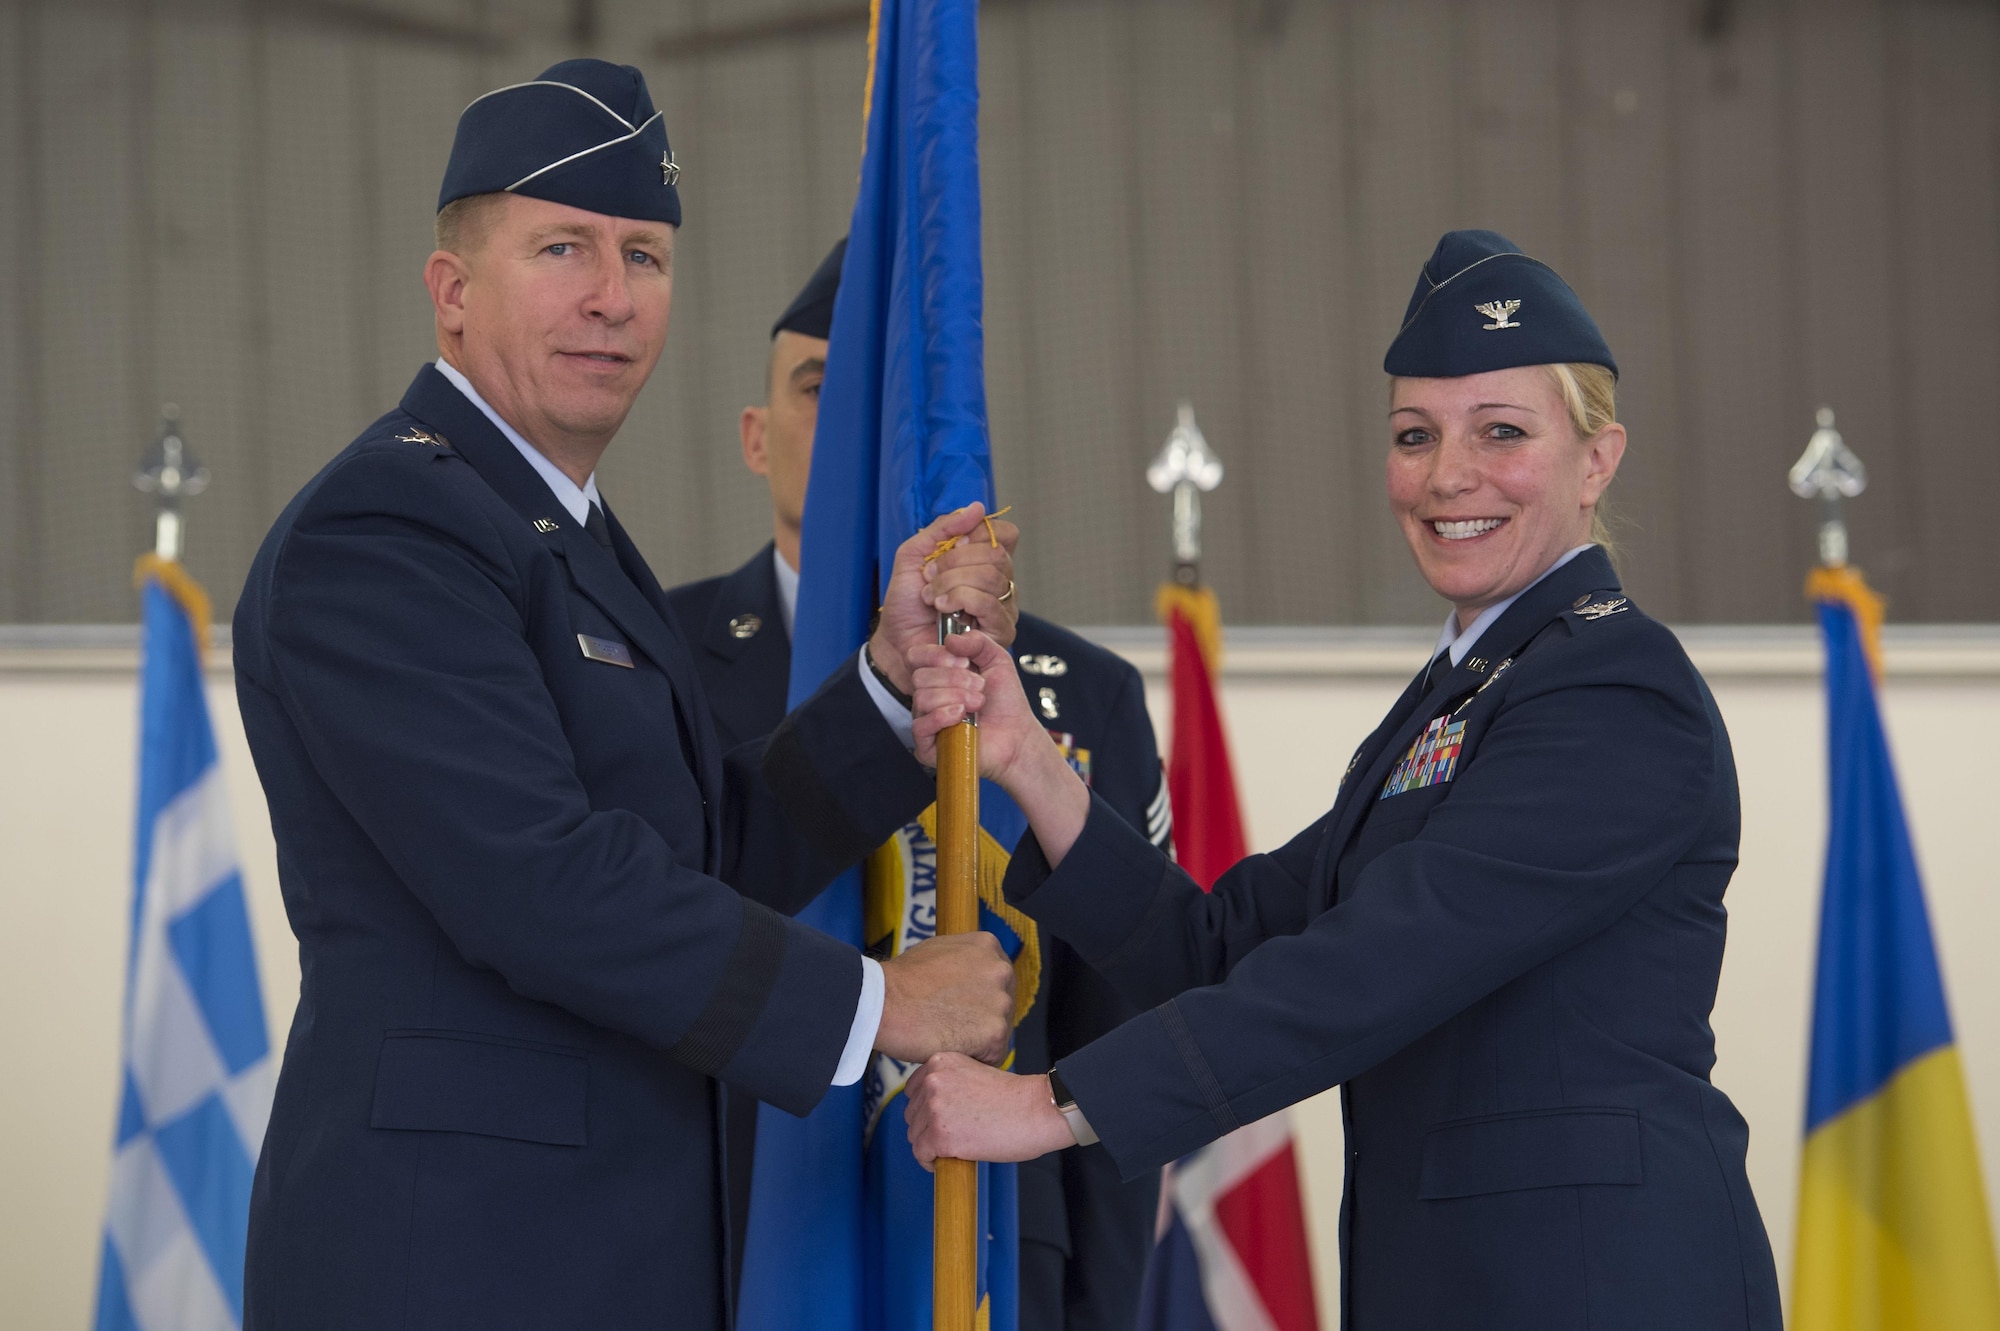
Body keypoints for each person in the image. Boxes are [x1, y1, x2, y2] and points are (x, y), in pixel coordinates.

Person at [231, 60, 1018, 1330]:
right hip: (451, 1265)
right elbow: (539, 879)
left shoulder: (559, 531)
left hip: (595, 1255)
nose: (610, 298)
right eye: (561, 249)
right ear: (450, 293)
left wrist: (886, 684)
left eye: (643, 257)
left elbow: (701, 843)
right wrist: (880, 1004)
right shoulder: (387, 524)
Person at [901, 230, 1783, 1330]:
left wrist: (1050, 1105)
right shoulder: (1463, 692)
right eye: (1414, 436)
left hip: (1594, 1287)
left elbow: (1373, 967)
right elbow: (1219, 944)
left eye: (1500, 432)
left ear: (1595, 460)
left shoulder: (1610, 690)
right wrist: (1028, 760)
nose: (1447, 475)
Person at [664, 238, 1169, 1330]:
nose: (853, 421)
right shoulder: (655, 656)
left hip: (988, 1245)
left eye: (880, 400)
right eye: (818, 387)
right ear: (756, 439)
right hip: (723, 1245)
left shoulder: (1082, 694)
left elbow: (1119, 1021)